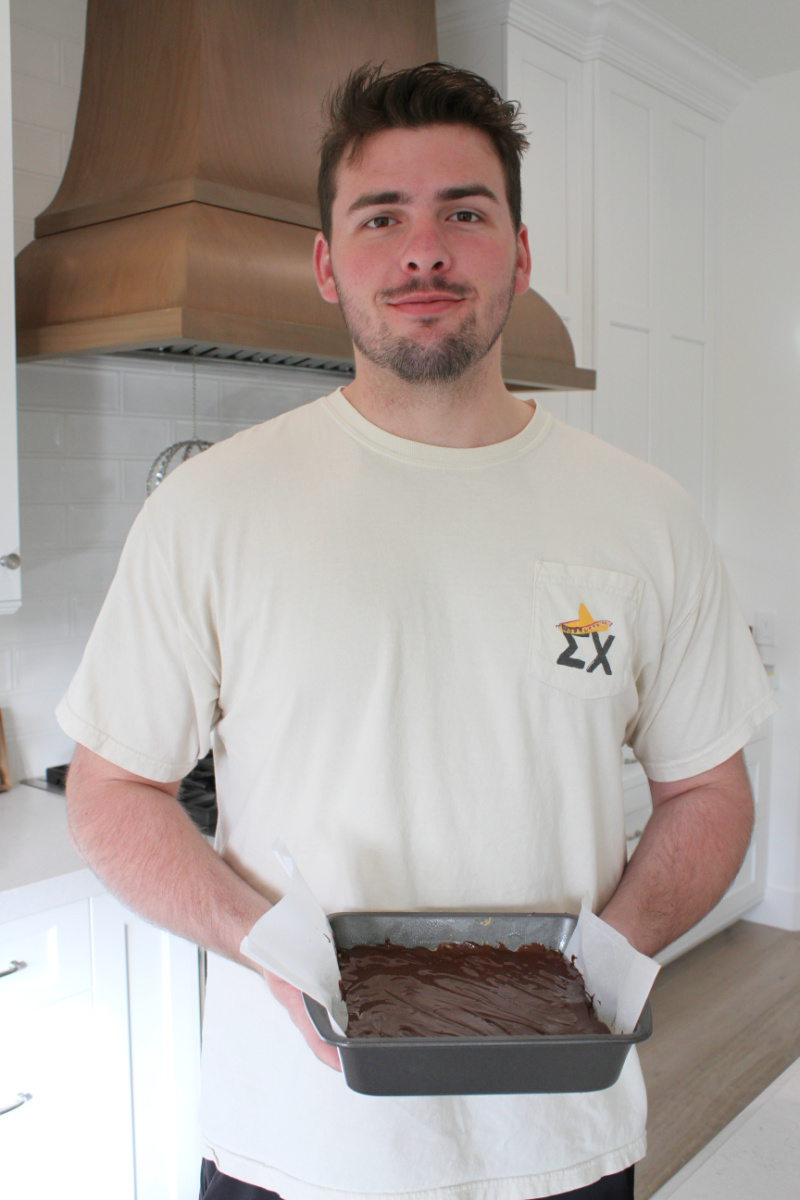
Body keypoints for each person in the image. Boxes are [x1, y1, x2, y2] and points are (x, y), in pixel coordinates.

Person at [59, 63, 777, 1200]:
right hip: (296, 1142)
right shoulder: (211, 508)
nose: (422, 251)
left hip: (559, 1144)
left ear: (519, 255)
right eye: (380, 217)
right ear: (325, 262)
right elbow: (110, 791)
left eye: (463, 212)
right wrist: (263, 943)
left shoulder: (643, 514)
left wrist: (609, 957)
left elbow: (709, 790)